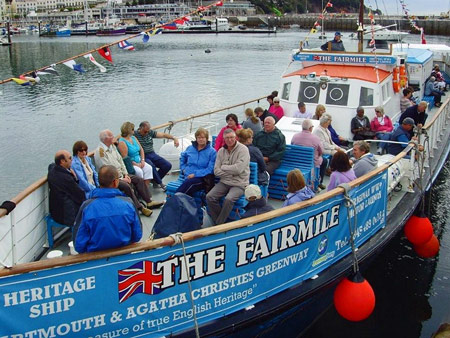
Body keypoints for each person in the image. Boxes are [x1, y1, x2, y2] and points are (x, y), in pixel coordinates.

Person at [73, 165, 142, 253]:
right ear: (115, 182)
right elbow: (137, 235)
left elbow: (79, 245)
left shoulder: (86, 207)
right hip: (124, 255)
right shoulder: (128, 204)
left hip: (95, 259)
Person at [94, 129, 163, 217]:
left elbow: (120, 161)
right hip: (112, 179)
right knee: (126, 186)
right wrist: (121, 179)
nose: (114, 138)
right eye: (112, 136)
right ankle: (140, 208)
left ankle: (149, 201)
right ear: (106, 139)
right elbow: (107, 171)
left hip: (121, 174)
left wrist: (126, 174)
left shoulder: (112, 147)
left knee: (139, 180)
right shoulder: (101, 152)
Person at [206, 129, 250, 225]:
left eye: (232, 137)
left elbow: (239, 169)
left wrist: (224, 167)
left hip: (239, 183)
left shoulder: (243, 150)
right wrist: (231, 172)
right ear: (224, 139)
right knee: (210, 197)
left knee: (229, 199)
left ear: (235, 138)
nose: (230, 140)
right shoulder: (221, 151)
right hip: (224, 182)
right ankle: (221, 222)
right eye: (227, 138)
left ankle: (218, 224)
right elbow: (216, 171)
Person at [134, 121, 179, 191]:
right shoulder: (135, 134)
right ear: (140, 128)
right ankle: (160, 183)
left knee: (167, 165)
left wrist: (174, 138)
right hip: (143, 155)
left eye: (148, 131)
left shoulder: (149, 132)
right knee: (151, 166)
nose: (146, 133)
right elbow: (122, 135)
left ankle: (155, 180)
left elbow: (163, 135)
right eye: (145, 131)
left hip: (152, 153)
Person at [48, 150, 86, 226]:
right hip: (66, 216)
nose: (72, 160)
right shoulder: (66, 178)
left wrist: (68, 171)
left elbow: (51, 165)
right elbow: (80, 196)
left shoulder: (52, 170)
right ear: (62, 161)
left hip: (55, 212)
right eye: (69, 158)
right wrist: (75, 178)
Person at [176, 128, 216, 196]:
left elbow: (210, 169)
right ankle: (176, 203)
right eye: (199, 137)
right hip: (187, 175)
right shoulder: (190, 148)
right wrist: (183, 169)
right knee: (187, 188)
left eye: (203, 137)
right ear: (196, 138)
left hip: (202, 178)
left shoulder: (212, 152)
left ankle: (172, 202)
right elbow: (183, 157)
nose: (201, 139)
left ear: (206, 138)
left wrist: (195, 174)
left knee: (188, 185)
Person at [291, 119, 327, 190]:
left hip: (297, 161)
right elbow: (321, 151)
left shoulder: (295, 136)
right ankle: (319, 182)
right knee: (324, 161)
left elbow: (292, 147)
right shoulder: (316, 138)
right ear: (310, 128)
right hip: (311, 164)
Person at [117, 122, 153, 186]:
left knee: (149, 168)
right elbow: (126, 158)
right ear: (129, 131)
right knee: (139, 172)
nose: (134, 130)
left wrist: (142, 160)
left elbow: (141, 149)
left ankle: (145, 188)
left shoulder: (133, 138)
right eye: (133, 129)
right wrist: (136, 164)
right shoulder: (122, 142)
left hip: (139, 160)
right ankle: (140, 189)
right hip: (132, 164)